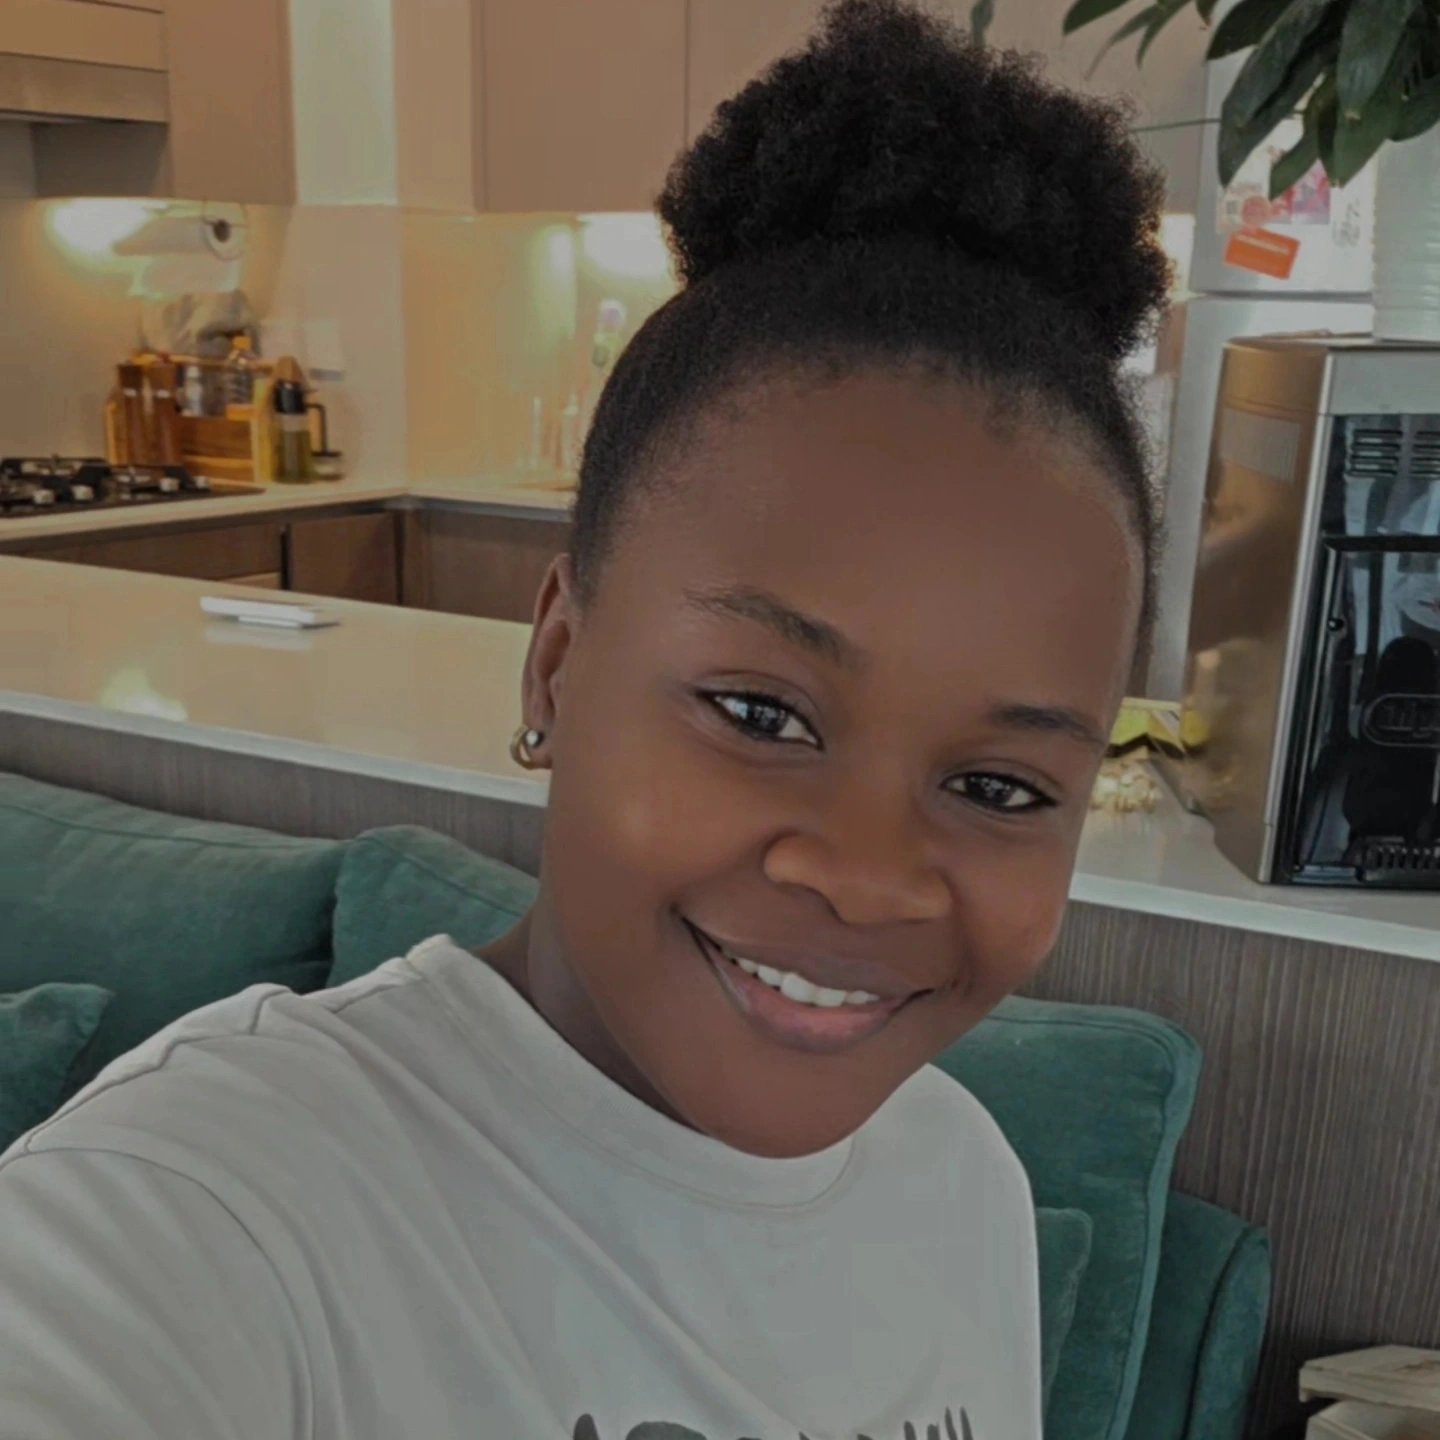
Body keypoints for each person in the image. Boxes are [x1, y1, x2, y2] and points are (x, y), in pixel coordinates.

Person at [0, 3, 1168, 1437]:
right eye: (761, 711)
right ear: (556, 662)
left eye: (999, 788)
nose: (868, 878)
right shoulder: (198, 1218)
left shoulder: (964, 1183)